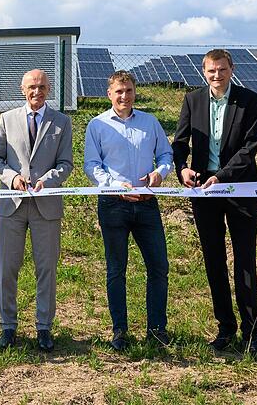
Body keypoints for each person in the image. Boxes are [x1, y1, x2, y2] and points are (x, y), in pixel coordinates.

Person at [172, 49, 257, 354]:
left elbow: (249, 148)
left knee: (245, 262)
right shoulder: (192, 100)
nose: (217, 76)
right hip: (204, 193)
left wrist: (222, 176)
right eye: (211, 71)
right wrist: (182, 168)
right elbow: (180, 142)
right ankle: (225, 327)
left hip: (240, 190)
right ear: (204, 72)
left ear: (231, 69)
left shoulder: (249, 100)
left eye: (222, 70)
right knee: (214, 260)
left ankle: (252, 333)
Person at [83, 70, 173, 351]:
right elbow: (91, 165)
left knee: (159, 267)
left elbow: (166, 155)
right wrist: (112, 185)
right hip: (113, 205)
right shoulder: (97, 125)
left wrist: (160, 173)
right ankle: (119, 330)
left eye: (129, 91)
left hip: (147, 205)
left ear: (135, 93)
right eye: (119, 91)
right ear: (109, 94)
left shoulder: (150, 122)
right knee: (116, 270)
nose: (124, 96)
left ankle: (157, 329)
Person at [0, 69, 73, 351]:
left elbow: (66, 164)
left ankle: (44, 327)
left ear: (49, 89)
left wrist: (47, 180)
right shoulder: (6, 119)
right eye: (32, 87)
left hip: (46, 206)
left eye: (42, 87)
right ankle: (8, 327)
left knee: (46, 268)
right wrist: (11, 178)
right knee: (7, 268)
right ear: (22, 89)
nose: (37, 92)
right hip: (12, 207)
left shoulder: (62, 122)